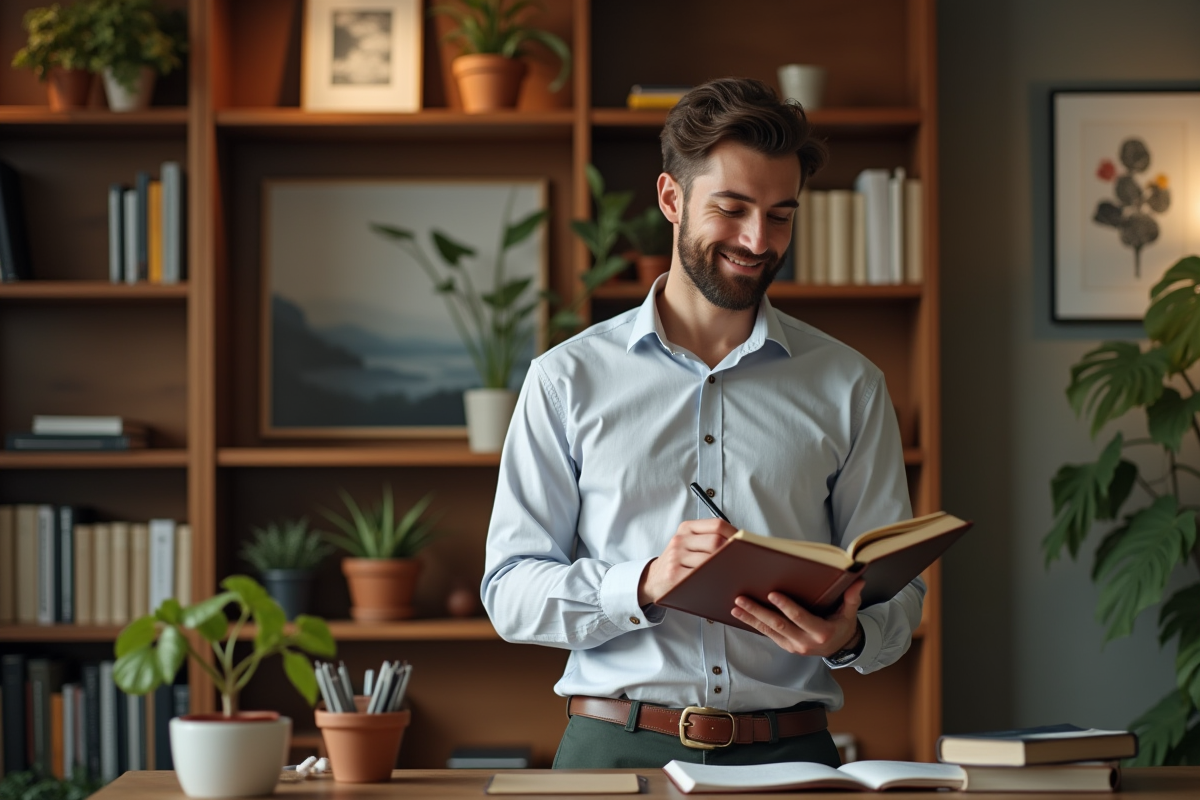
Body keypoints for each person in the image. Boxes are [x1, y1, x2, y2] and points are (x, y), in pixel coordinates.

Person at [482, 77, 923, 769]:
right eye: (733, 208)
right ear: (671, 199)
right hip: (612, 752)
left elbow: (902, 602)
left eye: (781, 214)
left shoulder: (851, 385)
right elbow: (508, 590)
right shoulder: (566, 379)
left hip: (794, 758)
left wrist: (847, 636)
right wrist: (644, 582)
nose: (757, 239)